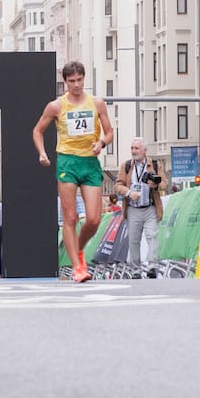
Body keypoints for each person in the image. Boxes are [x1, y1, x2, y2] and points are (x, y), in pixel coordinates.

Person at [32, 60, 114, 284]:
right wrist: (42, 153)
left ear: (84, 79)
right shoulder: (56, 106)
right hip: (67, 161)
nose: (76, 85)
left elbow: (109, 133)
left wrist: (101, 144)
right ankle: (78, 268)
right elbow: (38, 130)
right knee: (70, 217)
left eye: (79, 80)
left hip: (89, 162)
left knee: (95, 219)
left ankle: (77, 249)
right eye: (71, 81)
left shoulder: (97, 103)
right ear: (65, 82)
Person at [114, 136, 166, 279]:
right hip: (133, 208)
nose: (133, 151)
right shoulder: (126, 166)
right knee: (134, 240)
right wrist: (130, 193)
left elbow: (164, 184)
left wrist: (155, 185)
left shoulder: (155, 164)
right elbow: (117, 185)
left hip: (150, 207)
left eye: (136, 148)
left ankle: (152, 267)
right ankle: (135, 270)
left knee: (152, 236)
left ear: (145, 150)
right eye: (132, 148)